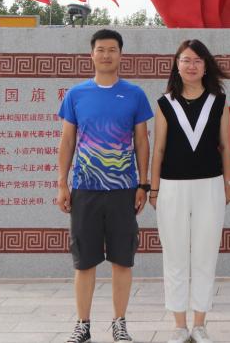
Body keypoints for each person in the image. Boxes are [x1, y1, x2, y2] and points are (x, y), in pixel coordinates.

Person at [56, 29, 153, 343]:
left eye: (112, 49)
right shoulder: (76, 94)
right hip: (85, 190)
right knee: (84, 261)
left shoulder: (135, 94)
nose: (106, 55)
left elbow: (142, 141)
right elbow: (67, 141)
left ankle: (119, 323)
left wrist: (143, 183)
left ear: (121, 55)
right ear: (92, 54)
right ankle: (82, 325)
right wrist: (62, 184)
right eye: (101, 49)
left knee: (122, 260)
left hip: (123, 190)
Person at [149, 39, 230, 343]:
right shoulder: (165, 103)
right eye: (186, 60)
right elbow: (159, 149)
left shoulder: (218, 101)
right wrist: (154, 188)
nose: (191, 66)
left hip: (210, 186)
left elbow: (226, 146)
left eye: (198, 60)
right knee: (174, 255)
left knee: (205, 255)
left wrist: (228, 183)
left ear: (206, 66)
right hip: (171, 187)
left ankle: (199, 324)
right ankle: (179, 325)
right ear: (177, 65)